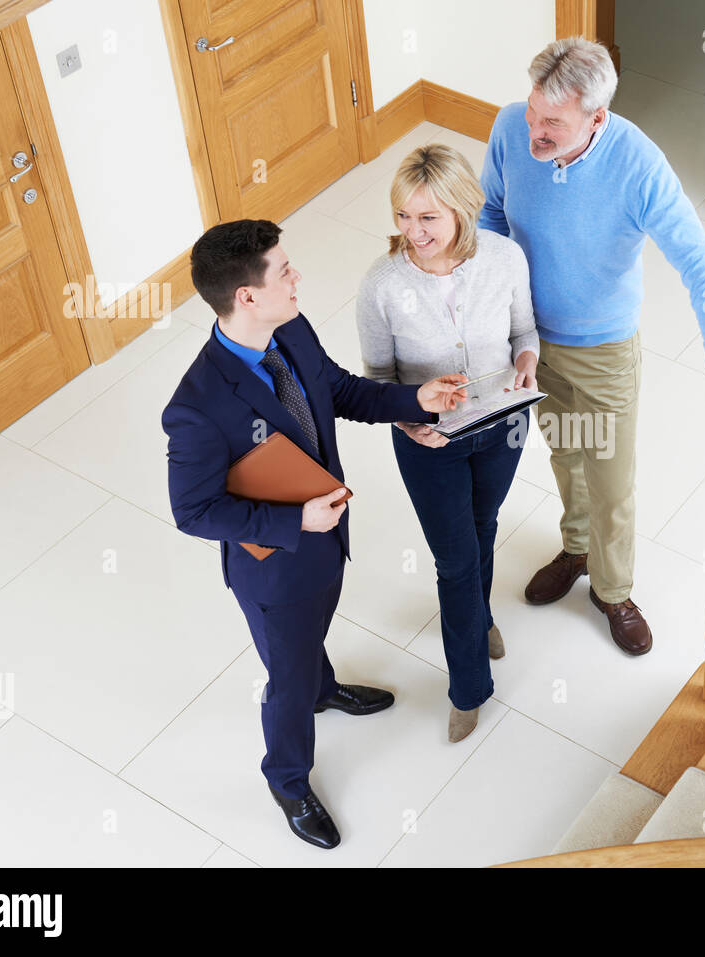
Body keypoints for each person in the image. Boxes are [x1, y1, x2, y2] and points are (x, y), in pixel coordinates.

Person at [162, 219, 468, 850]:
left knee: (310, 646)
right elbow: (193, 511)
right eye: (284, 270)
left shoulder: (291, 329)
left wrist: (418, 401)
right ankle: (288, 779)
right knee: (287, 679)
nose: (298, 276)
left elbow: (339, 392)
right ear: (246, 296)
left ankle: (325, 689)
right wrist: (294, 521)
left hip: (327, 541)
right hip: (275, 569)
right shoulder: (194, 406)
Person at [478, 37, 705, 656]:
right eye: (533, 113)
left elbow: (702, 265)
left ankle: (612, 590)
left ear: (597, 118)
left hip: (603, 352)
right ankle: (575, 548)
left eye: (552, 122)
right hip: (531, 342)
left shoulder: (637, 165)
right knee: (564, 454)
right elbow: (491, 217)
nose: (535, 131)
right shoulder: (510, 128)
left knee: (610, 480)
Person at [356, 144, 539, 743]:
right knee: (455, 559)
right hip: (429, 440)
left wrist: (528, 361)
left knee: (484, 524)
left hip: (502, 425)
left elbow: (523, 331)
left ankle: (481, 615)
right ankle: (468, 688)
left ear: (463, 209)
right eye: (404, 217)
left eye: (428, 218)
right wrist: (409, 421)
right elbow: (379, 380)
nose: (413, 232)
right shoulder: (382, 285)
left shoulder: (505, 258)